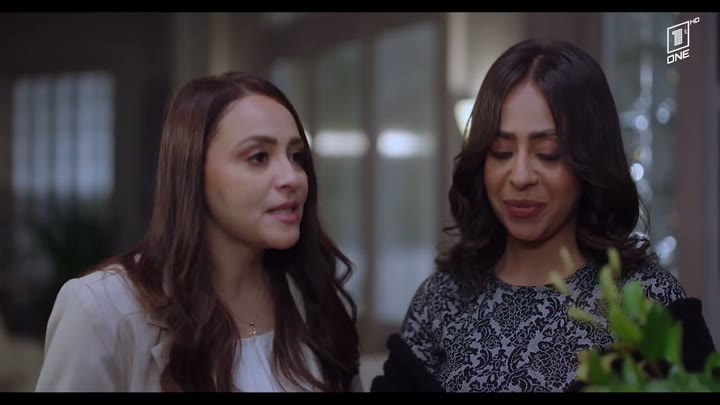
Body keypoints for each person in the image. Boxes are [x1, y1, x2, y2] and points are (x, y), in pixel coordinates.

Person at [370, 39, 716, 392]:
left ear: (590, 160)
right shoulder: (441, 300)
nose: (520, 177)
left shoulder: (648, 302)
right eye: (501, 152)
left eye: (549, 153)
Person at [34, 72, 362, 392]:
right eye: (259, 157)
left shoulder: (316, 300)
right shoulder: (101, 310)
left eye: (296, 156)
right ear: (193, 172)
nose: (292, 177)